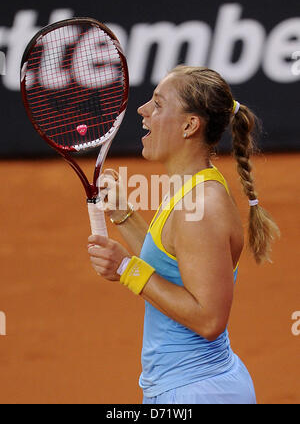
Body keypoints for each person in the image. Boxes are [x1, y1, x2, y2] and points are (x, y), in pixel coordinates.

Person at [87, 66, 280, 404]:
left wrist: (125, 269)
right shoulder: (192, 185)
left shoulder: (201, 205)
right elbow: (171, 260)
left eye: (158, 104)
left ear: (190, 125)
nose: (142, 110)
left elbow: (209, 319)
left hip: (194, 393)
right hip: (197, 387)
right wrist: (123, 215)